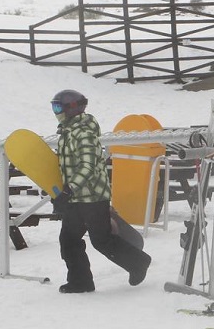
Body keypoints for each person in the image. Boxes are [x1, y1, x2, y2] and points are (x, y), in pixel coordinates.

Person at [51, 89, 152, 293]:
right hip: (76, 197)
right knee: (69, 239)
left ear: (72, 108)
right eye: (54, 107)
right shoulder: (67, 131)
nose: (56, 111)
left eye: (58, 107)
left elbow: (87, 166)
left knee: (101, 240)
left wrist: (69, 190)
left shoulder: (84, 133)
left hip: (93, 196)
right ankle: (81, 281)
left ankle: (138, 262)